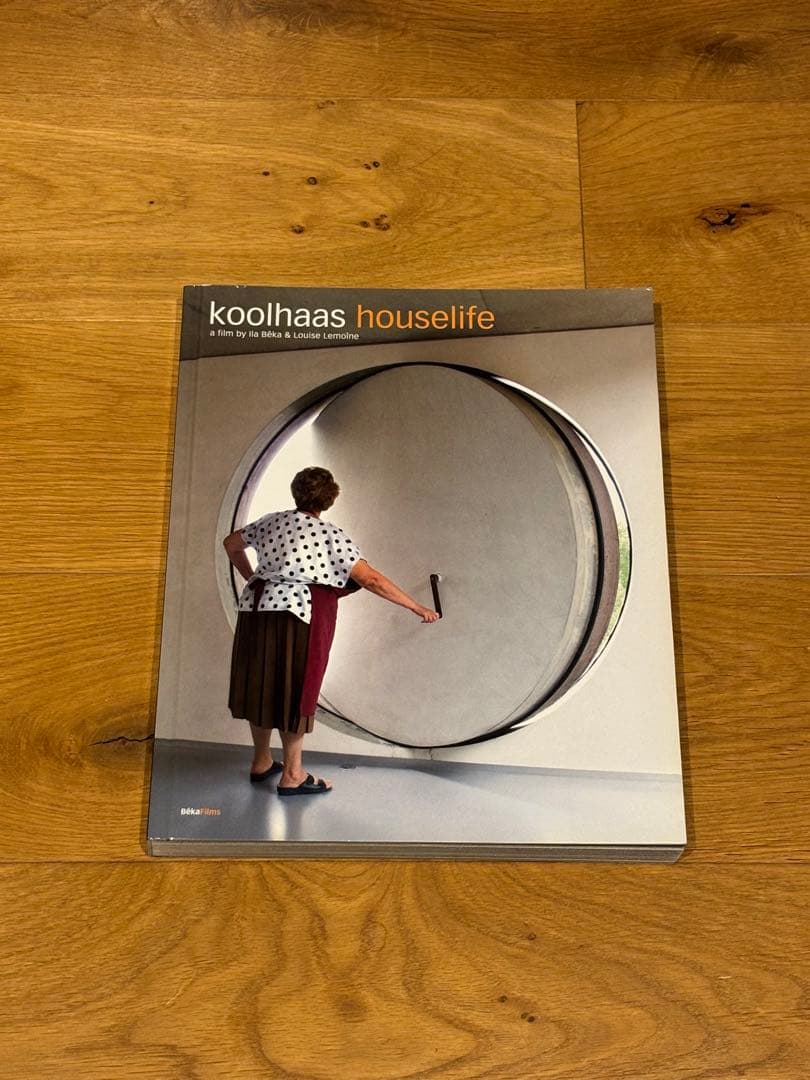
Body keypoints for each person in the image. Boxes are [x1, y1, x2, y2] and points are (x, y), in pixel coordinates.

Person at [223, 466, 439, 796]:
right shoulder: (328, 534)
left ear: (296, 491)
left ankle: (262, 761)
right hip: (297, 615)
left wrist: (251, 577)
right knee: (295, 690)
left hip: (256, 610)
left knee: (262, 684)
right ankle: (292, 775)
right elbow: (371, 579)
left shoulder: (271, 521)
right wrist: (416, 606)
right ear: (329, 499)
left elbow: (231, 544)